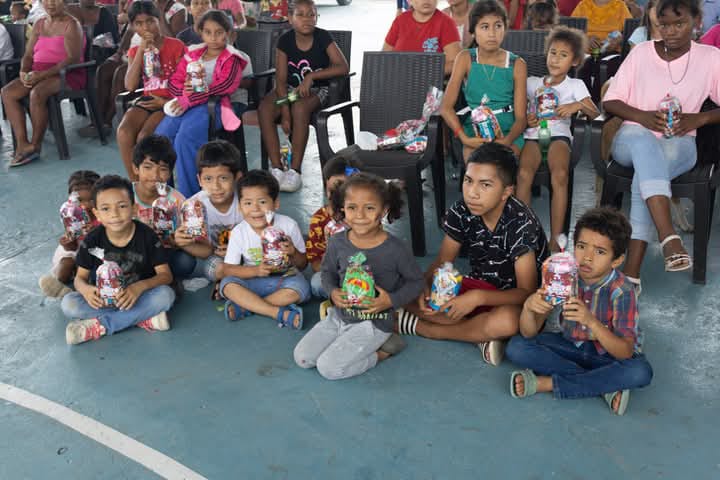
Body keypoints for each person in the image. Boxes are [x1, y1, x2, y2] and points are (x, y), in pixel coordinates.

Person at [602, 0, 720, 291]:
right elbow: (611, 100)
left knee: (645, 174)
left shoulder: (710, 58)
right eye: (664, 25)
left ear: (696, 23)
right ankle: (668, 236)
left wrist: (700, 118)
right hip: (631, 138)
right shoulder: (641, 53)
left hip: (680, 143)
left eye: (679, 24)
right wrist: (642, 116)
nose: (671, 31)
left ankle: (632, 275)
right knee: (643, 142)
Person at [396, 143, 549, 366]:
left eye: (485, 185)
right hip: (479, 286)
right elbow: (442, 262)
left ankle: (427, 329)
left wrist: (478, 298)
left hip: (513, 300)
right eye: (468, 181)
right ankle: (478, 335)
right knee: (404, 286)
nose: (472, 193)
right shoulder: (462, 211)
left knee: (508, 321)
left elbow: (526, 292)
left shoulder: (521, 225)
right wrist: (424, 288)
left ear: (507, 191)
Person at [506, 208, 653, 416]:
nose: (587, 258)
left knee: (640, 372)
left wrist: (591, 321)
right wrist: (529, 308)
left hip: (608, 356)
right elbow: (529, 333)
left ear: (617, 260)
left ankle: (549, 383)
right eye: (582, 247)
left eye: (600, 252)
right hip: (571, 345)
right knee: (517, 346)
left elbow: (625, 352)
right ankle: (604, 386)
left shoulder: (622, 291)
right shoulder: (562, 275)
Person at [294, 173, 424, 380]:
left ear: (384, 210)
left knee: (329, 369)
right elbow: (327, 273)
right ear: (342, 209)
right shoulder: (337, 242)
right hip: (339, 316)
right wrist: (333, 292)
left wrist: (390, 301)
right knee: (302, 358)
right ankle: (347, 339)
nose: (360, 215)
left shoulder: (396, 249)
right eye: (352, 207)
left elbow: (416, 282)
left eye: (369, 208)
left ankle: (384, 351)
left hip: (374, 323)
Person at [60, 175, 176, 345]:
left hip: (137, 297)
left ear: (134, 208)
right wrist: (86, 290)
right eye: (105, 209)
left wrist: (138, 287)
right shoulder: (92, 239)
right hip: (103, 301)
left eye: (122, 206)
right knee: (69, 303)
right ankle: (140, 318)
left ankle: (101, 326)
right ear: (96, 214)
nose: (114, 214)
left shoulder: (147, 236)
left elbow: (166, 275)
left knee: (165, 295)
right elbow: (79, 279)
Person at [516, 27, 600, 252]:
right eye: (553, 53)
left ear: (575, 61)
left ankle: (556, 237)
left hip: (559, 137)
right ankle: (524, 234)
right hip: (533, 136)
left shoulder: (574, 85)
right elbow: (518, 107)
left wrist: (577, 105)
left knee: (560, 175)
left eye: (563, 55)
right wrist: (527, 118)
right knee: (523, 175)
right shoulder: (532, 83)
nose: (555, 59)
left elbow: (595, 114)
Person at [258, 0, 349, 193]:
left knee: (300, 107)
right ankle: (277, 168)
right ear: (290, 18)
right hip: (290, 93)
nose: (307, 19)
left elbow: (342, 67)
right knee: (265, 108)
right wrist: (285, 112)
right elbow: (281, 80)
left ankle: (295, 171)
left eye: (311, 14)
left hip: (319, 90)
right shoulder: (285, 41)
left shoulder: (323, 37)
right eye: (300, 14)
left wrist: (311, 76)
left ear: (317, 17)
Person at [155, 9, 247, 198]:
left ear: (228, 33)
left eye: (219, 32)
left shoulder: (232, 58)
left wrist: (190, 98)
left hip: (216, 106)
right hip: (188, 104)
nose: (213, 37)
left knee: (185, 139)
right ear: (201, 32)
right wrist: (183, 91)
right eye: (208, 32)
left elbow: (224, 86)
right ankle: (165, 195)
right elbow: (174, 81)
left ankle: (191, 198)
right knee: (160, 138)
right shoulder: (193, 54)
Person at [217, 170, 310, 326]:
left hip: (284, 279)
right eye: (248, 203)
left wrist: (293, 252)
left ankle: (246, 307)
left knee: (302, 287)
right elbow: (228, 269)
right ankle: (277, 312)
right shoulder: (239, 232)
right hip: (252, 281)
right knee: (227, 285)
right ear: (239, 207)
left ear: (276, 203)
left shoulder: (288, 225)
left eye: (262, 202)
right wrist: (256, 271)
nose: (255, 209)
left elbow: (303, 264)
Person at [440, 0, 528, 160]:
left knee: (501, 165)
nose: (492, 33)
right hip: (474, 132)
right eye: (485, 27)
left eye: (498, 26)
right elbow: (446, 108)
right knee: (477, 164)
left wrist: (507, 141)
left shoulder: (517, 64)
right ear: (473, 31)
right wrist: (464, 138)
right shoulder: (465, 58)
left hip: (509, 132)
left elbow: (521, 118)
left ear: (505, 29)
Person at [1, 0, 85, 167]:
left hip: (67, 74)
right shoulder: (39, 24)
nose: (50, 4)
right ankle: (23, 143)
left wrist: (41, 75)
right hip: (38, 72)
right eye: (46, 0)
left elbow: (72, 59)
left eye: (55, 0)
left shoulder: (72, 25)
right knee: (7, 92)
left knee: (37, 93)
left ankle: (35, 145)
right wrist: (23, 71)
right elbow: (28, 55)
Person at [116, 1, 185, 180]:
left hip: (169, 102)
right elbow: (130, 86)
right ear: (132, 27)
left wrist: (166, 103)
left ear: (158, 20)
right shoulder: (134, 51)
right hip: (148, 100)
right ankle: (136, 182)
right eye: (139, 24)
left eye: (150, 21)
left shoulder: (176, 46)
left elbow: (185, 81)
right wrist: (141, 50)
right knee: (124, 132)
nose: (146, 27)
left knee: (144, 137)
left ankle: (155, 182)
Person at [177, 140, 245, 283]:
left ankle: (233, 284)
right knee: (215, 268)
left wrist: (238, 250)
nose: (216, 186)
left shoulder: (247, 202)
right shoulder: (193, 208)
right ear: (199, 180)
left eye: (223, 178)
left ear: (237, 178)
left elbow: (261, 234)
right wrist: (182, 243)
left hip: (249, 253)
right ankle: (236, 282)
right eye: (208, 179)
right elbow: (206, 252)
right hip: (216, 257)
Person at [130, 135, 197, 280]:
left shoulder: (177, 200)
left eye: (163, 169)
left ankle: (158, 277)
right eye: (148, 167)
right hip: (132, 253)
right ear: (135, 168)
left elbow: (184, 236)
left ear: (170, 173)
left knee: (186, 262)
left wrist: (175, 240)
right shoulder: (126, 196)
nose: (155, 175)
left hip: (164, 254)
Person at [38, 170, 101, 299]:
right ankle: (60, 287)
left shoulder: (104, 213)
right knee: (65, 265)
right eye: (79, 200)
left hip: (99, 251)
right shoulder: (71, 214)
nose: (85, 205)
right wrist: (67, 243)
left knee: (97, 271)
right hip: (78, 249)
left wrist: (96, 232)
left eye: (91, 200)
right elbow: (72, 246)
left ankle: (82, 283)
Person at [305, 154, 356, 299]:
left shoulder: (361, 215)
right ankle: (346, 298)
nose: (339, 195)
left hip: (362, 271)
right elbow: (315, 263)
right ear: (326, 186)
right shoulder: (319, 219)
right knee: (317, 284)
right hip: (334, 273)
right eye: (334, 188)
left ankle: (345, 298)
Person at [69, 0, 120, 138]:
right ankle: (99, 122)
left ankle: (99, 121)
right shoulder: (69, 11)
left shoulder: (104, 13)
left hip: (100, 56)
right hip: (74, 57)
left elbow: (112, 41)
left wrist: (89, 43)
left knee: (99, 72)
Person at [383, 0, 462, 76]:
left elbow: (454, 63)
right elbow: (384, 57)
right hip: (397, 78)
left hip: (430, 80)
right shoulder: (400, 20)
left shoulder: (446, 23)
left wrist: (425, 73)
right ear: (410, 1)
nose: (426, 0)